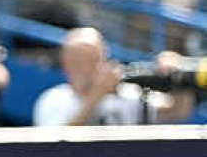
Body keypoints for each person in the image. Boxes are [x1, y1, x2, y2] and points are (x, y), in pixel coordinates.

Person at [33, 27, 196, 125]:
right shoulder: (53, 100)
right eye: (81, 60)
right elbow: (54, 145)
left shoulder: (128, 94)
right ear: (66, 64)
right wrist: (97, 95)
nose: (90, 67)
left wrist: (178, 76)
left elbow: (178, 111)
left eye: (96, 59)